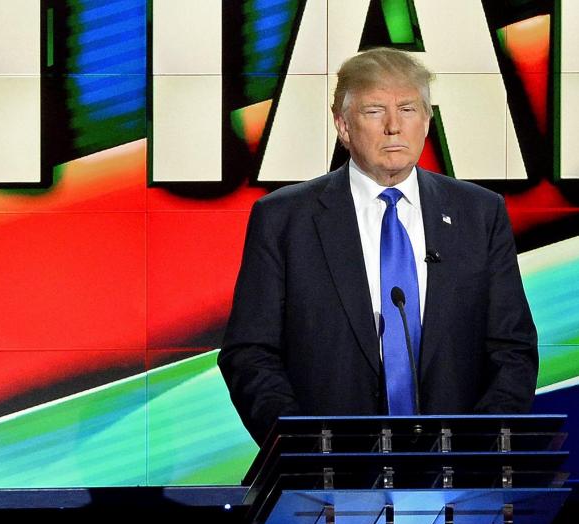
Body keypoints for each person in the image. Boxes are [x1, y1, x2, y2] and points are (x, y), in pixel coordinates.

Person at [218, 48, 538, 445]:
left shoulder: (479, 214)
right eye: (374, 111)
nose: (393, 126)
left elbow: (513, 348)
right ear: (343, 125)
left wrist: (479, 446)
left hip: (458, 473)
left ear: (427, 120)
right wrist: (303, 447)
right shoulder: (285, 219)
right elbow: (249, 354)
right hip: (327, 476)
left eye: (407, 109)